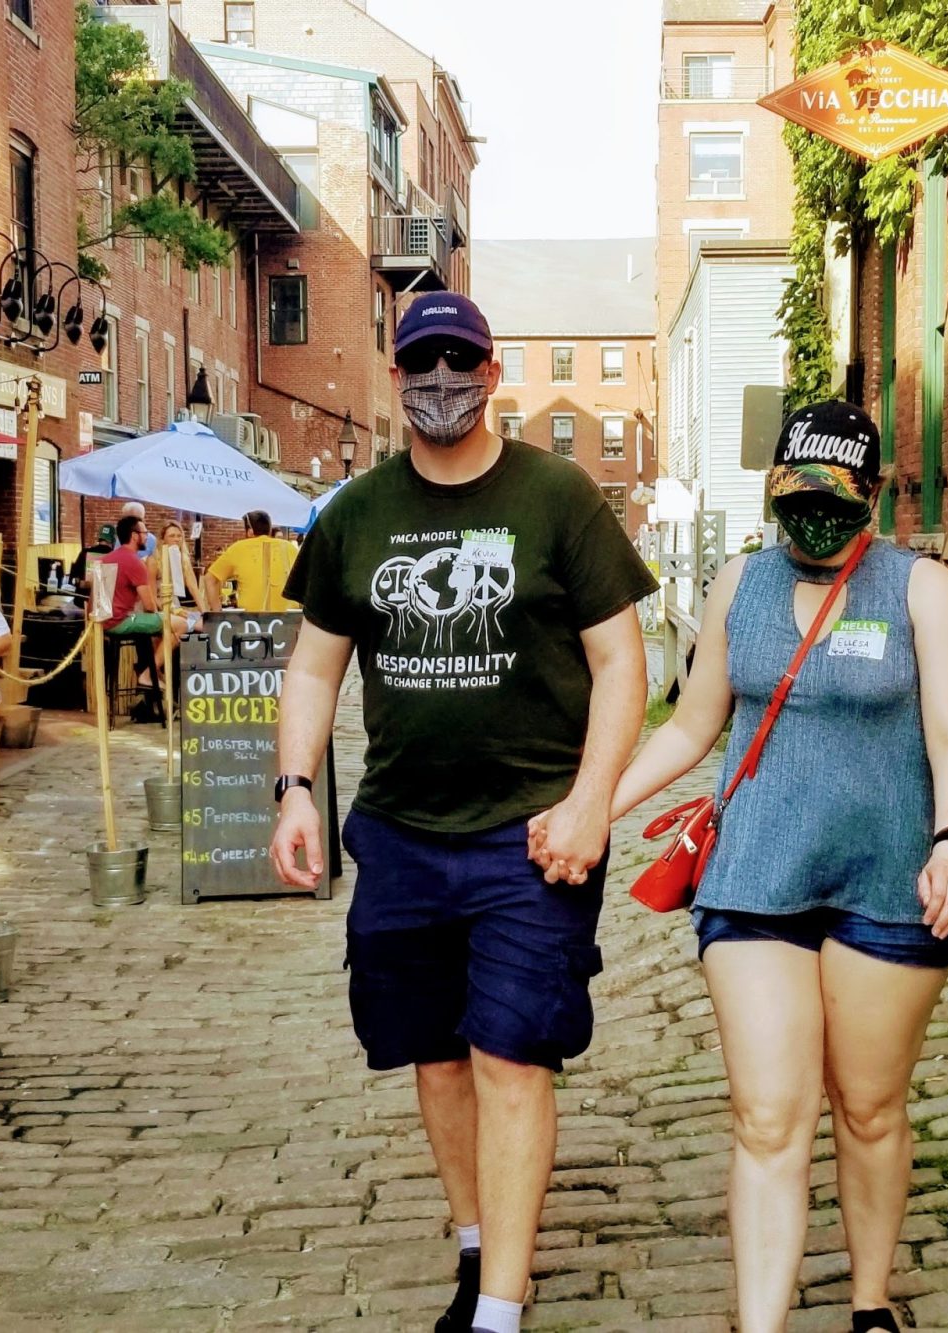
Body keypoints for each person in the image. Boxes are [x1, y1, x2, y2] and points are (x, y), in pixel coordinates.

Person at [269, 291, 656, 1333]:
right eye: (420, 363)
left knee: (510, 1051)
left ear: (491, 374)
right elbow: (312, 668)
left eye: (459, 360)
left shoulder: (558, 497)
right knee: (434, 1054)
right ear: (395, 378)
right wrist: (295, 786)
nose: (440, 380)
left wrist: (590, 805)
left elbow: (622, 663)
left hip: (528, 833)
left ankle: (496, 1310)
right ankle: (478, 1237)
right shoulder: (355, 512)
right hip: (398, 831)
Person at [605, 401, 948, 1333]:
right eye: (796, 499)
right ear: (774, 491)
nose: (814, 521)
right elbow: (691, 724)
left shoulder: (919, 589)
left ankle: (870, 1301)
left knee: (868, 1108)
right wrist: (596, 807)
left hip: (887, 881)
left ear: (871, 494)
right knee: (767, 1115)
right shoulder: (739, 583)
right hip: (755, 875)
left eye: (835, 501)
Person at [100, 514, 163, 694]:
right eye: (145, 532)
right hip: (119, 621)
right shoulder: (135, 561)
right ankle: (148, 674)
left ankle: (154, 674)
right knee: (178, 625)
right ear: (135, 535)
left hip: (104, 621)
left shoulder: (106, 558)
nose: (147, 537)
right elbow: (150, 606)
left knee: (161, 625)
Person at [204, 510, 300, 614]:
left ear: (250, 531)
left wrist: (218, 613)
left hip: (250, 621)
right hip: (289, 619)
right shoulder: (289, 547)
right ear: (269, 529)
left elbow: (209, 579)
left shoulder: (238, 548)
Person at [146, 520, 205, 642]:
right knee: (186, 625)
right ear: (163, 540)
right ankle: (158, 660)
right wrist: (171, 610)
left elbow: (193, 587)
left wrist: (205, 613)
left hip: (176, 605)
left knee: (206, 624)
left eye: (179, 536)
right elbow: (151, 595)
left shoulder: (183, 559)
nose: (176, 539)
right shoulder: (153, 561)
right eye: (172, 536)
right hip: (159, 606)